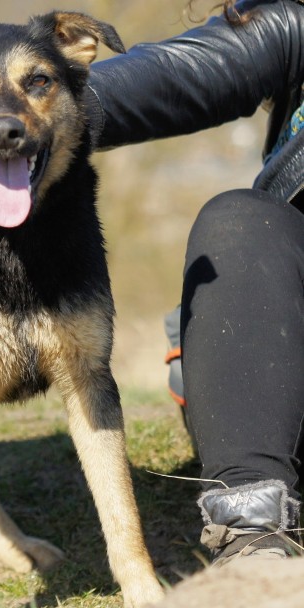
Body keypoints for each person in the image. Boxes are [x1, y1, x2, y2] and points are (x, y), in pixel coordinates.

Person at [85, 0, 304, 564]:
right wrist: (8, 110)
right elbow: (178, 75)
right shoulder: (294, 27)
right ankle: (253, 537)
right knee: (238, 221)